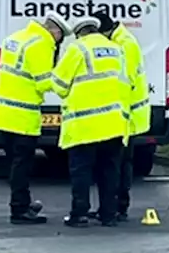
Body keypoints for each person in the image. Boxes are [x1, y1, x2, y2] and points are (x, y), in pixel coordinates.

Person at [0, 11, 72, 225]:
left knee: (15, 164)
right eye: (60, 37)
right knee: (22, 165)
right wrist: (67, 80)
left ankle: (22, 202)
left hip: (2, 114)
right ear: (55, 31)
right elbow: (43, 82)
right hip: (22, 116)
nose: (58, 42)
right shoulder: (42, 44)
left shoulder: (17, 38)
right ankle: (19, 210)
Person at [48, 16, 131, 228]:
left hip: (83, 124)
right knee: (109, 171)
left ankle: (80, 214)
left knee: (81, 172)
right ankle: (108, 215)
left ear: (78, 33)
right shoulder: (116, 49)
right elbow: (125, 83)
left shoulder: (77, 49)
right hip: (113, 122)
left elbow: (58, 84)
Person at [93, 10, 147, 222]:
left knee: (121, 163)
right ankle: (112, 206)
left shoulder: (124, 44)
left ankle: (119, 206)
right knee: (117, 163)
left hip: (128, 113)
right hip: (124, 112)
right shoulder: (121, 40)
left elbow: (124, 81)